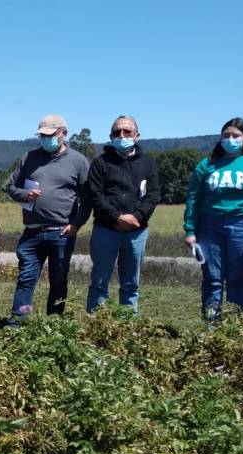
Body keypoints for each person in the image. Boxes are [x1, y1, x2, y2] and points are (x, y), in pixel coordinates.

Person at [183, 117, 243, 320]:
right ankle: (211, 324)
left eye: (236, 135)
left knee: (237, 277)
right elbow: (193, 197)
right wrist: (190, 230)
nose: (230, 139)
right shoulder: (207, 164)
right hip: (209, 225)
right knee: (212, 278)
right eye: (226, 135)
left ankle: (235, 325)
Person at [5, 114, 90, 327]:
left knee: (59, 280)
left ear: (63, 133)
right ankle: (18, 322)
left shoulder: (78, 161)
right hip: (33, 230)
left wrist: (76, 224)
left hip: (61, 231)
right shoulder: (29, 158)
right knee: (26, 279)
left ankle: (54, 325)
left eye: (50, 135)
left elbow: (88, 197)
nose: (45, 139)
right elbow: (11, 186)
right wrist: (25, 195)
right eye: (42, 136)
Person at [85, 115, 160, 314]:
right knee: (100, 281)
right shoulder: (100, 163)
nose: (122, 135)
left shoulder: (148, 162)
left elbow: (153, 196)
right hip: (105, 230)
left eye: (127, 131)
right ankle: (97, 324)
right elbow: (95, 195)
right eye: (117, 132)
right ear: (111, 136)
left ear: (137, 135)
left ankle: (127, 327)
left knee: (130, 283)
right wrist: (117, 217)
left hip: (136, 232)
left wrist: (136, 217)